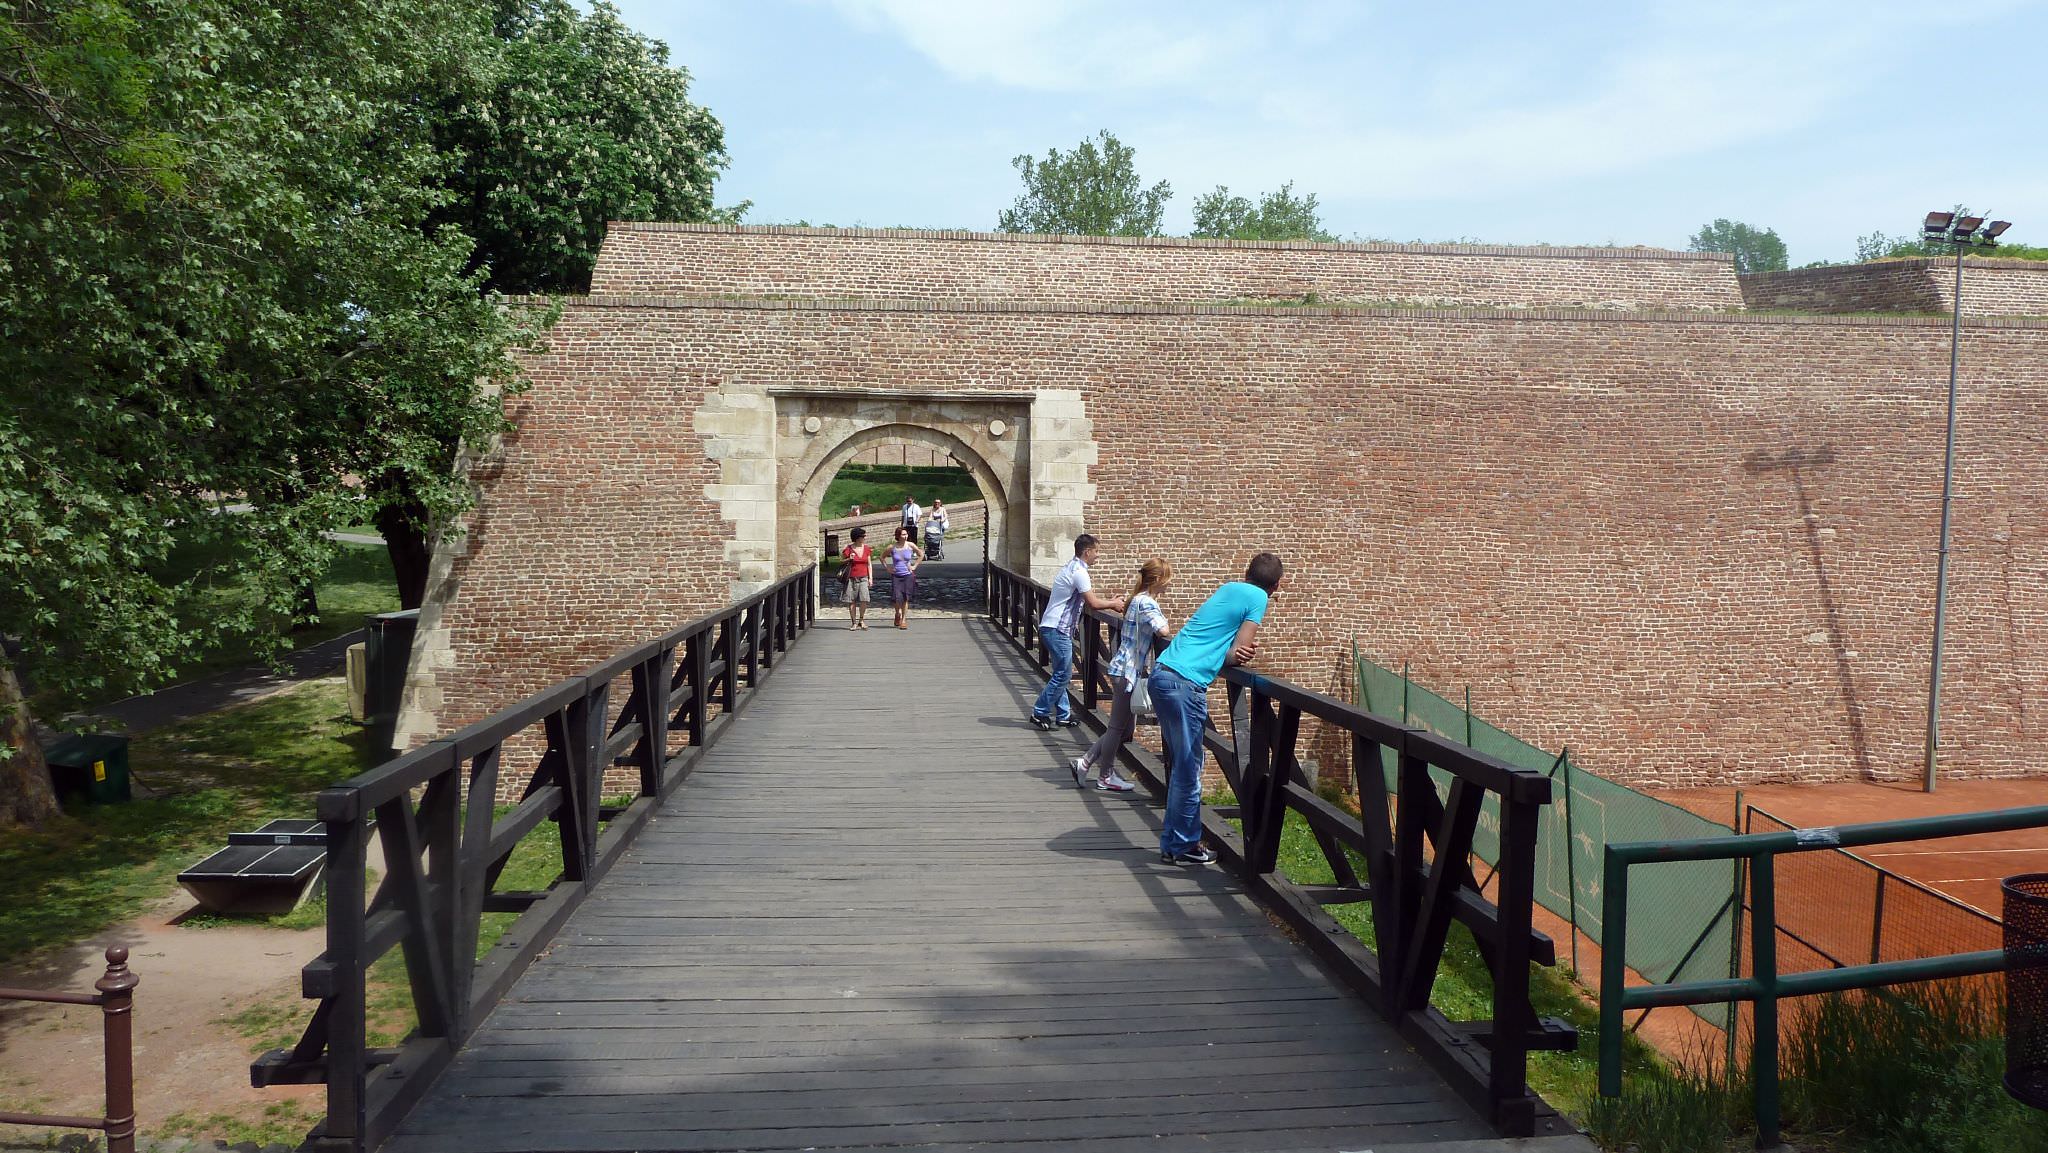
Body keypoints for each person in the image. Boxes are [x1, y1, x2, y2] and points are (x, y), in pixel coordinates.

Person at [1149, 552, 1284, 866]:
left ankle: (1174, 843)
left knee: (1183, 765)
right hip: (1184, 684)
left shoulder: (1228, 588)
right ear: (1277, 585)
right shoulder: (1259, 598)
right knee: (1188, 769)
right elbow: (1237, 653)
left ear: (1246, 572)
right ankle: (1182, 846)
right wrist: (1241, 654)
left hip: (1162, 673)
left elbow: (1216, 642)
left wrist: (1229, 651)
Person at [1071, 559, 1174, 793]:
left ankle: (1085, 762)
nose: (1170, 583)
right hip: (1128, 671)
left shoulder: (1135, 599)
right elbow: (1163, 631)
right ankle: (1105, 775)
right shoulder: (1147, 603)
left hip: (1124, 668)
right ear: (1157, 580)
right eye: (1168, 578)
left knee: (1124, 729)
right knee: (1118, 728)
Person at [1030, 534, 1127, 731]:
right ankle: (1039, 712)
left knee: (1060, 673)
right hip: (1058, 629)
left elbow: (1088, 599)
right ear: (1087, 552)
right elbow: (1092, 603)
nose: (1098, 556)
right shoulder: (1079, 572)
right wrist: (1114, 604)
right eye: (1096, 552)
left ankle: (1063, 714)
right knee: (1063, 674)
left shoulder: (1071, 567)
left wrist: (1109, 600)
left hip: (1052, 627)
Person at [886, 525, 922, 629]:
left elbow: (921, 554)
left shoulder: (910, 545)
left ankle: (904, 620)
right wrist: (888, 568)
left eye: (906, 534)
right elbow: (882, 557)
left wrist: (914, 565)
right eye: (903, 534)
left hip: (907, 575)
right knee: (897, 598)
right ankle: (898, 614)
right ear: (898, 536)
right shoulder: (892, 547)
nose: (905, 536)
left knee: (905, 598)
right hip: (897, 575)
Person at [840, 527, 873, 631]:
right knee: (851, 600)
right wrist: (849, 559)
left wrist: (870, 578)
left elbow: (869, 564)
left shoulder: (866, 548)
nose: (864, 538)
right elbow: (841, 561)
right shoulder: (848, 549)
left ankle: (861, 620)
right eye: (863, 536)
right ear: (857, 538)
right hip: (851, 578)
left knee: (864, 599)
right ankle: (854, 622)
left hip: (863, 577)